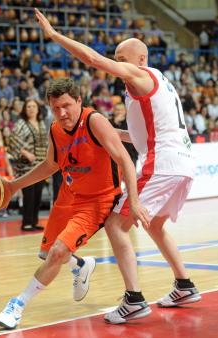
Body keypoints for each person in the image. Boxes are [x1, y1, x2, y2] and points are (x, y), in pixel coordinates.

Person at [35, 8, 200, 324]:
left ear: (140, 59)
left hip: (161, 163)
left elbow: (94, 61)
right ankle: (184, 285)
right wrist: (110, 132)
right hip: (180, 162)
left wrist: (55, 36)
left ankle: (134, 299)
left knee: (115, 224)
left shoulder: (141, 75)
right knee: (153, 224)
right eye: (116, 57)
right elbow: (140, 135)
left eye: (123, 57)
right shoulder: (158, 83)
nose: (118, 62)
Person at [0, 78, 148, 330]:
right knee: (47, 253)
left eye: (66, 106)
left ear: (79, 101)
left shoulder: (94, 121)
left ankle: (17, 305)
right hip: (69, 194)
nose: (62, 113)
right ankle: (81, 265)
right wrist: (14, 185)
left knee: (57, 252)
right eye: (56, 108)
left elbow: (125, 161)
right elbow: (50, 165)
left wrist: (133, 200)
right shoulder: (55, 129)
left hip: (96, 201)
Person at [8, 99, 48, 231]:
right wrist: (26, 153)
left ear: (38, 109)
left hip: (41, 164)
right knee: (29, 195)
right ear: (25, 109)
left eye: (33, 106)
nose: (31, 109)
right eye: (28, 106)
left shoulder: (41, 123)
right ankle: (26, 222)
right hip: (26, 166)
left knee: (37, 194)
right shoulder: (21, 123)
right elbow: (13, 142)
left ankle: (34, 221)